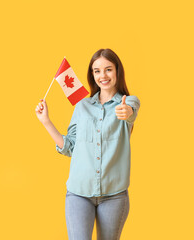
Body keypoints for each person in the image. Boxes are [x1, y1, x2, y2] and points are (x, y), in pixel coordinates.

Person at [35, 48, 140, 240]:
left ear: (117, 71)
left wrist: (127, 112)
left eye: (108, 69)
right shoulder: (82, 107)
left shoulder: (128, 102)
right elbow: (70, 147)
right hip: (78, 194)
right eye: (97, 71)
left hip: (114, 195)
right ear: (92, 75)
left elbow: (131, 111)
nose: (103, 75)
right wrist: (46, 121)